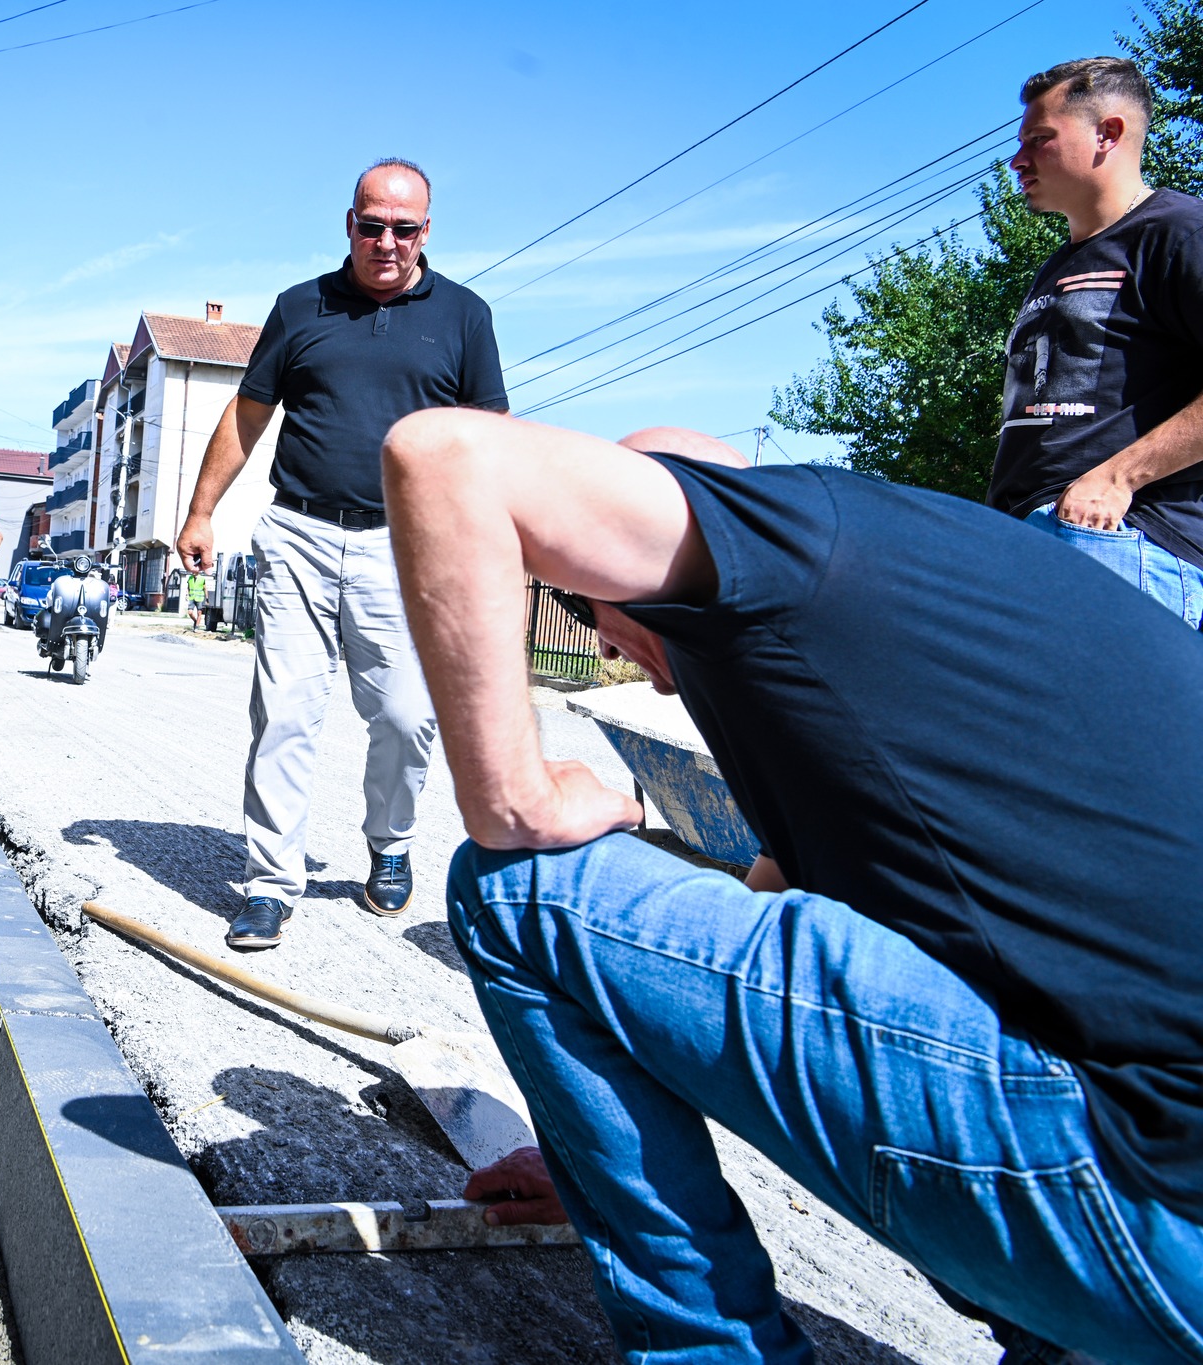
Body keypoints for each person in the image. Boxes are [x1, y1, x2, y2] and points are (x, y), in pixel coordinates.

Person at [381, 407, 1203, 1362]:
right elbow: (743, 967)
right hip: (1172, 1204)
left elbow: (444, 455)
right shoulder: (944, 595)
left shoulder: (784, 542)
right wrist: (600, 1147)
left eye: (583, 596)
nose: (602, 644)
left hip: (1150, 1196)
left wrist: (517, 799)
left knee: (520, 888)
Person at [174, 158, 508, 949]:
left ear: (426, 231)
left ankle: (390, 842)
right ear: (349, 223)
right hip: (299, 533)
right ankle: (269, 883)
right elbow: (249, 413)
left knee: (405, 715)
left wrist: (488, 543)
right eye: (373, 225)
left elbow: (489, 441)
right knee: (284, 712)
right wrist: (201, 510)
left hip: (404, 545)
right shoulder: (301, 307)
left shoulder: (465, 316)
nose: (386, 241)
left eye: (403, 228)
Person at [989, 56, 1203, 626]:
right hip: (1026, 540)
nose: (1018, 160)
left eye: (1039, 139)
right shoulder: (1059, 265)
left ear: (1108, 133)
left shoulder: (1181, 231)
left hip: (1118, 541)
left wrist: (1117, 478)